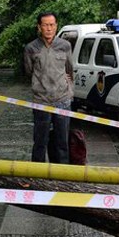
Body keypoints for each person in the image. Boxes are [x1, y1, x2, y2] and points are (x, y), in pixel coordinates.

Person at [23, 12, 74, 164]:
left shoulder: (65, 46)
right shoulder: (31, 48)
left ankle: (63, 175)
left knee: (62, 143)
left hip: (62, 100)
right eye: (45, 25)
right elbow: (28, 71)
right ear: (39, 27)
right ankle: (37, 176)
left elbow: (69, 70)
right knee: (40, 142)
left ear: (56, 26)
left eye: (52, 25)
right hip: (41, 101)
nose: (49, 28)